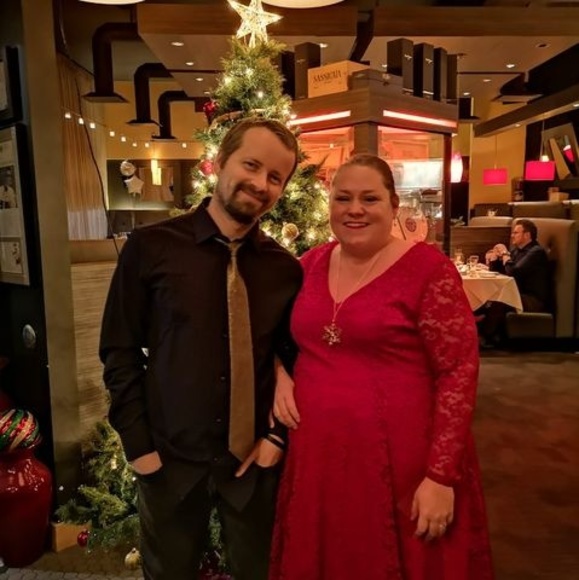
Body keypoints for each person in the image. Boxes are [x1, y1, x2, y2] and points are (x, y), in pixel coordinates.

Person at [270, 154, 494, 579]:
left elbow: (458, 372)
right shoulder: (310, 265)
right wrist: (279, 374)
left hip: (402, 462)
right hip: (319, 462)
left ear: (393, 206)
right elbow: (270, 333)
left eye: (369, 199)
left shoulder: (429, 270)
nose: (354, 209)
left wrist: (441, 476)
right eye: (343, 198)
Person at [99, 118, 303, 580]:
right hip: (168, 461)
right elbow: (119, 349)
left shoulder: (284, 270)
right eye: (251, 165)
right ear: (220, 161)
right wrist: (139, 449)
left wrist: (276, 440)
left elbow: (296, 359)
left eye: (276, 177)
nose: (261, 184)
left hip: (253, 466)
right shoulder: (150, 248)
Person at [479, 218, 550, 345]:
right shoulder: (517, 250)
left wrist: (505, 254)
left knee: (500, 300)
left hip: (532, 299)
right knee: (487, 294)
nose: (512, 236)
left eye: (516, 233)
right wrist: (494, 259)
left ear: (527, 235)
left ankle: (484, 337)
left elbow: (513, 273)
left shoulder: (536, 252)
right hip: (516, 293)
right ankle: (484, 333)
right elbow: (503, 272)